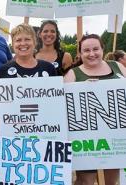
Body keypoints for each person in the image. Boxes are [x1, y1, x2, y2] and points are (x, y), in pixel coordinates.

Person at [64, 34, 126, 185]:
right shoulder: (73, 74)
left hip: (115, 138)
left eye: (95, 49)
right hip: (86, 141)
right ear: (80, 53)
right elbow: (64, 105)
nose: (92, 54)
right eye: (86, 50)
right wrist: (82, 89)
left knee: (112, 181)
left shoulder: (117, 67)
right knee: (86, 181)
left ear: (102, 49)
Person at [0, 24, 57, 131]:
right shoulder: (4, 70)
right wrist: (0, 129)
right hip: (13, 130)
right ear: (13, 44)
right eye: (18, 40)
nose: (23, 43)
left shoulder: (48, 68)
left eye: (27, 39)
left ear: (35, 42)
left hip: (45, 129)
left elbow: (56, 102)